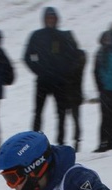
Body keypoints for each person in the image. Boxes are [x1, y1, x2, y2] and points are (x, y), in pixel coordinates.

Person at [23, 7, 79, 145]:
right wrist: (38, 70)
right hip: (43, 80)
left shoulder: (62, 36)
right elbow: (27, 56)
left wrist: (64, 71)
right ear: (44, 20)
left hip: (59, 81)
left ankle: (60, 142)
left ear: (57, 19)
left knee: (61, 114)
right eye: (48, 18)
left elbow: (73, 56)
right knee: (38, 112)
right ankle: (34, 142)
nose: (50, 21)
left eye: (53, 18)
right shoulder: (37, 35)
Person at [93, 30, 112, 152]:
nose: (108, 41)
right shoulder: (100, 53)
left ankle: (110, 143)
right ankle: (103, 143)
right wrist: (101, 87)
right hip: (105, 90)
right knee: (105, 118)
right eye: (106, 39)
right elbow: (96, 71)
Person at [63, 48, 87, 151]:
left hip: (69, 92)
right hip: (73, 92)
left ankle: (73, 140)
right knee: (75, 118)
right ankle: (76, 140)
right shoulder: (77, 57)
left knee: (70, 118)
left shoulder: (70, 57)